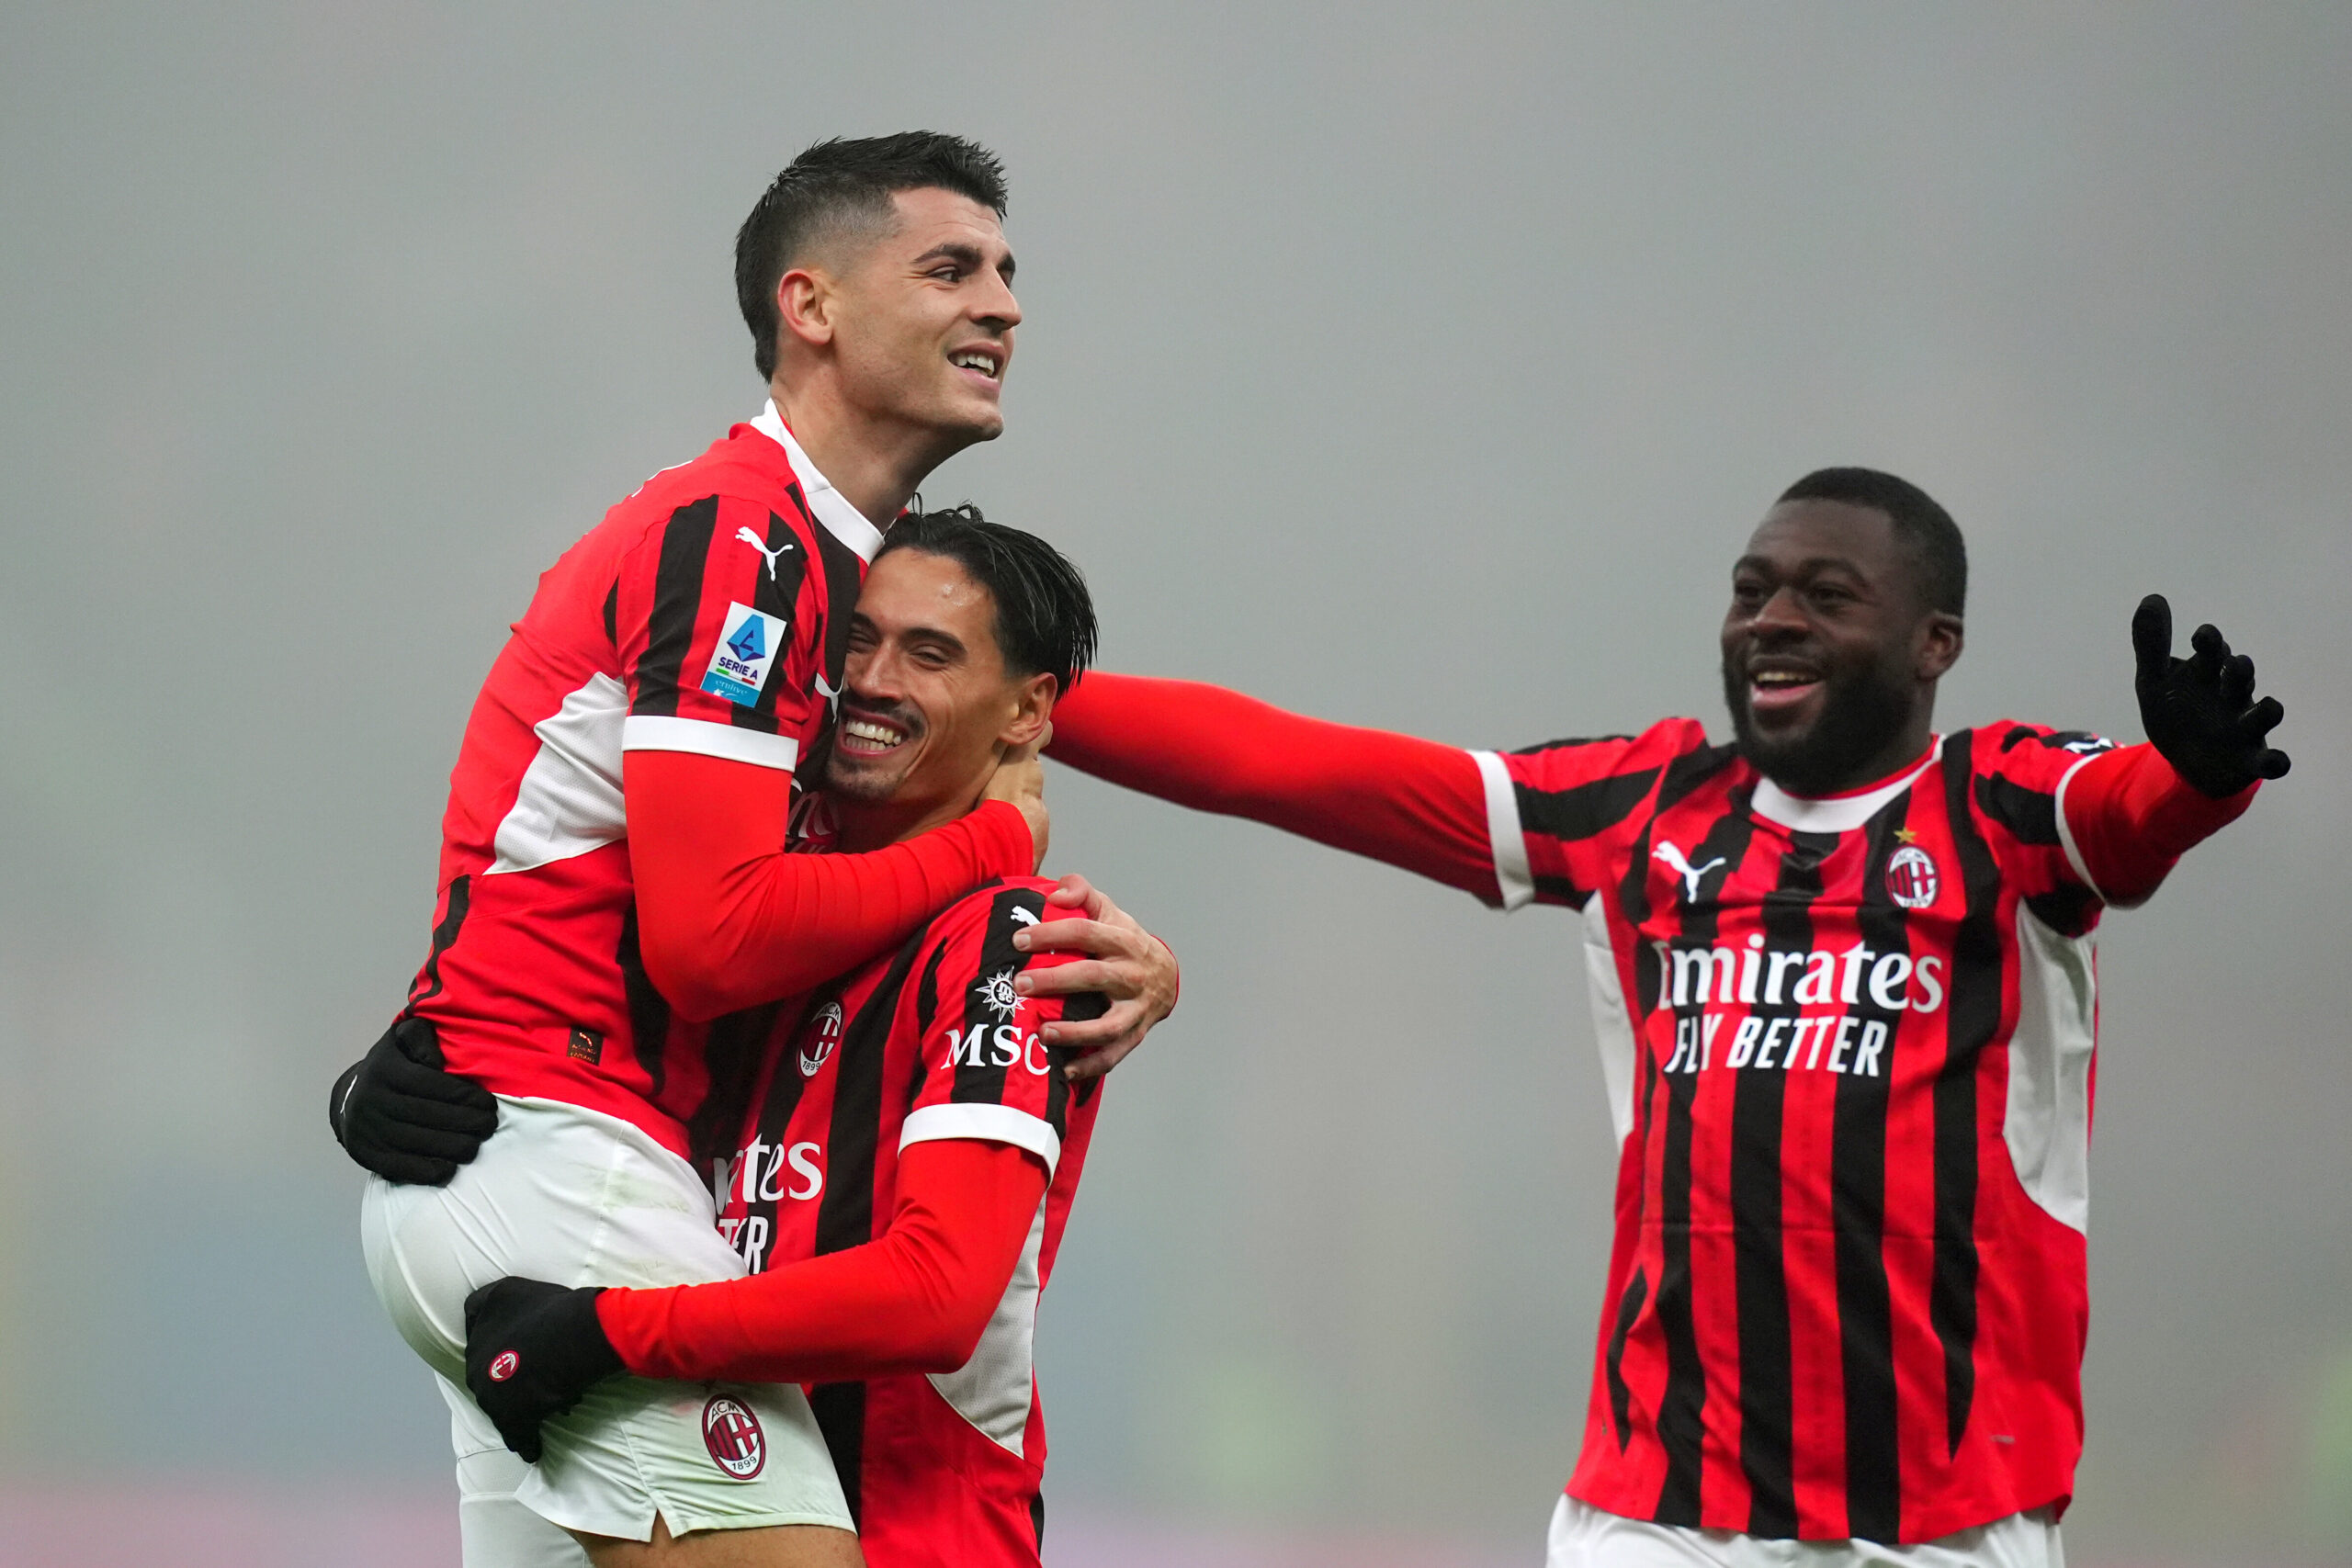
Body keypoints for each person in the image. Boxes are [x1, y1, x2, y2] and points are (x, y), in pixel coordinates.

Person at [1035, 468, 2289, 1566]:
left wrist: (2200, 776)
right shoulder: (1644, 807)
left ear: (1933, 642)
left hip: (1949, 1521)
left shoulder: (1999, 805)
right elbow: (1293, 765)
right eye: (1752, 589)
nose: (1773, 618)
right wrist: (1027, 694)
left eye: (1825, 593)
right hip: (1662, 1515)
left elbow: (2125, 819)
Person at [337, 135, 1176, 1568]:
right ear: (813, 305)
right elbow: (712, 937)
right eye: (952, 268)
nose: (1005, 306)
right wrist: (988, 845)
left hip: (524, 1157)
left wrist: (1130, 942)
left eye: (1010, 274)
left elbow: (1117, 730)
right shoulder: (747, 540)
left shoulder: (848, 565)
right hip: (564, 1163)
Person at [345, 509, 1135, 1568]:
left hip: (915, 1541)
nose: (876, 680)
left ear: (1027, 712)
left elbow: (937, 1295)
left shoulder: (1012, 943)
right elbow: (566, 986)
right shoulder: (766, 920)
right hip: (705, 1479)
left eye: (930, 654)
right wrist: (391, 1072)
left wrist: (612, 1331)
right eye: (859, 640)